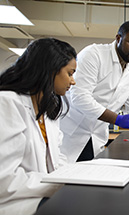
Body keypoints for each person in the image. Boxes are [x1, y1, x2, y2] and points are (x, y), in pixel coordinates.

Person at [60, 21, 129, 163]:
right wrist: (117, 119)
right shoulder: (94, 54)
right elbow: (80, 97)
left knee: (87, 178)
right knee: (63, 180)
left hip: (96, 136)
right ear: (118, 39)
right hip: (71, 131)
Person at [0, 38, 76, 214]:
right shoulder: (7, 103)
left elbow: (56, 158)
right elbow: (5, 180)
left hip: (41, 196)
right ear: (50, 71)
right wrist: (60, 183)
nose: (73, 81)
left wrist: (75, 174)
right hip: (14, 203)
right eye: (70, 73)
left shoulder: (47, 109)